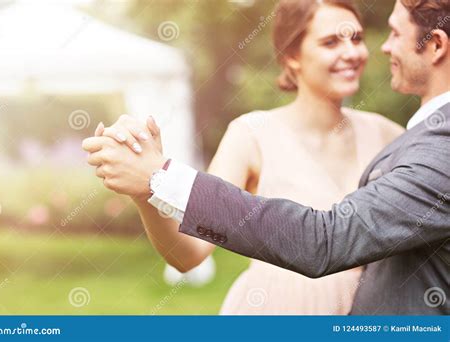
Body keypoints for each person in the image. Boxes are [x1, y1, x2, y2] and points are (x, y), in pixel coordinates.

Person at [82, 0, 450, 314]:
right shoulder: (253, 133)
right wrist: (148, 192)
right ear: (292, 58)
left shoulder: (394, 136)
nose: (351, 52)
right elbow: (189, 254)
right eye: (330, 42)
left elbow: (340, 240)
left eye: (354, 37)